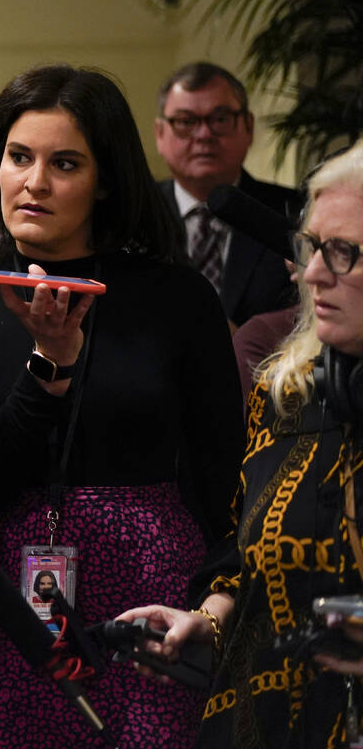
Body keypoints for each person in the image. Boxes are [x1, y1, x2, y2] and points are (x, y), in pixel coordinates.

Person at [0, 64, 244, 748]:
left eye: (63, 163)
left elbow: (227, 476)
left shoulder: (177, 297)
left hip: (146, 584)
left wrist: (220, 602)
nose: (34, 182)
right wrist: (50, 364)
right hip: (3, 592)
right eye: (19, 157)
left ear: (105, 180)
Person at [120, 138, 363, 748]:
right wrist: (206, 617)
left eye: (345, 253)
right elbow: (246, 551)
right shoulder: (289, 392)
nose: (310, 273)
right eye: (311, 248)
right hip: (267, 718)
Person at [155, 61, 301, 328]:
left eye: (220, 119)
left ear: (248, 127)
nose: (203, 135)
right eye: (186, 121)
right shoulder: (131, 214)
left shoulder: (294, 212)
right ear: (160, 134)